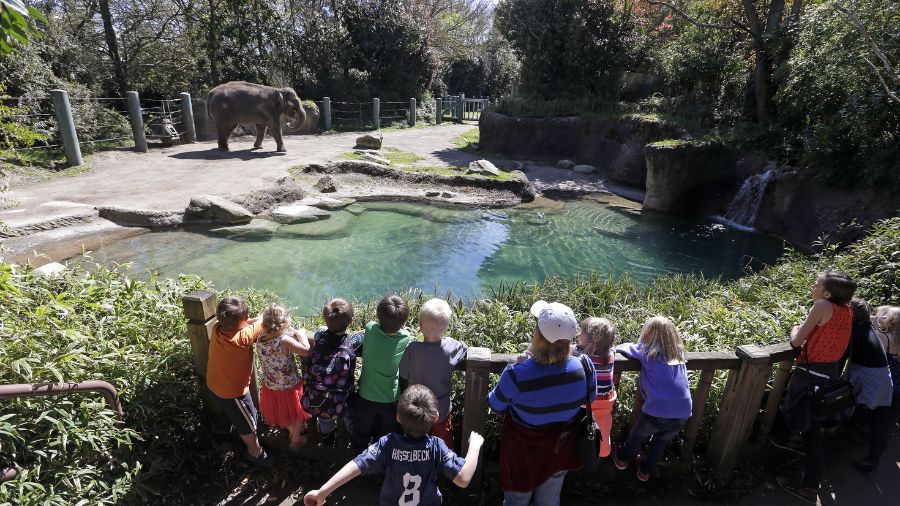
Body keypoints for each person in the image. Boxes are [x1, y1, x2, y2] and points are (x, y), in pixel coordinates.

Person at [488, 300, 596, 506]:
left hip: (521, 451)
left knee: (517, 498)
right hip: (560, 447)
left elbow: (495, 404)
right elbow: (589, 398)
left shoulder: (516, 374)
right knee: (549, 499)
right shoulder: (584, 366)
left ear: (537, 334)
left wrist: (518, 366)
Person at [303, 385, 484, 506]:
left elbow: (357, 465)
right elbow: (463, 478)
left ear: (397, 417)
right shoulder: (436, 446)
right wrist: (475, 447)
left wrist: (323, 491)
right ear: (435, 418)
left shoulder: (388, 443)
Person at [775, 272, 856, 505]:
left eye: (817, 284)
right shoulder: (847, 310)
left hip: (810, 376)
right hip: (829, 376)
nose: (813, 286)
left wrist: (793, 329)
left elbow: (796, 342)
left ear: (827, 293)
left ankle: (810, 487)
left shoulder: (822, 305)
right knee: (813, 428)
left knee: (809, 432)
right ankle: (796, 455)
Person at [613, 316, 691, 482]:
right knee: (660, 443)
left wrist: (613, 348)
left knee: (637, 435)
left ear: (647, 335)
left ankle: (622, 458)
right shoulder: (679, 354)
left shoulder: (647, 352)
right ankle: (645, 471)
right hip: (683, 412)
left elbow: (625, 348)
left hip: (658, 411)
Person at [205, 296, 269, 465]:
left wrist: (246, 321)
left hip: (214, 383)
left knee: (242, 415)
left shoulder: (216, 328)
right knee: (246, 424)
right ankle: (256, 453)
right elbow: (264, 319)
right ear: (245, 319)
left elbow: (248, 324)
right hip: (232, 393)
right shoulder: (243, 337)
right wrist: (253, 319)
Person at [399, 298, 468, 449]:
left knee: (416, 439)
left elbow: (403, 374)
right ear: (446, 327)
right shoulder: (450, 348)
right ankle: (446, 465)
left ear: (420, 325)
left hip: (417, 406)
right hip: (440, 408)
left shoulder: (412, 349)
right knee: (443, 440)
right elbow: (464, 347)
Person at [352, 294, 412, 450]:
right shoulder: (405, 338)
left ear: (378, 316)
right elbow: (404, 333)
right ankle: (381, 462)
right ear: (404, 322)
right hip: (390, 400)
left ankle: (360, 462)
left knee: (361, 434)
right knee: (385, 436)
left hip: (365, 397)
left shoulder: (370, 329)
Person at [302, 298, 362, 448]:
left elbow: (321, 330)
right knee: (348, 415)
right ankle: (350, 439)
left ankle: (326, 440)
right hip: (342, 399)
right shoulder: (352, 343)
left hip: (319, 398)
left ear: (325, 319)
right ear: (351, 321)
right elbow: (361, 337)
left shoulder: (319, 337)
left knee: (325, 420)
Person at [845, 298, 893, 473]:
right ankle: (872, 460)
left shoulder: (854, 331)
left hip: (869, 378)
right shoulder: (868, 328)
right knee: (880, 422)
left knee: (867, 416)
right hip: (883, 377)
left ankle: (867, 457)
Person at [256, 304, 311, 450]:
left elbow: (262, 321)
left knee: (281, 412)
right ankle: (295, 440)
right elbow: (306, 351)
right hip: (290, 385)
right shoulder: (284, 341)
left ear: (264, 324)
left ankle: (292, 431)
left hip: (271, 385)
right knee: (298, 413)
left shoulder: (260, 336)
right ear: (285, 325)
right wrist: (301, 334)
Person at [575, 317, 618, 458]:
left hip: (584, 404)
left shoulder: (578, 355)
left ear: (592, 340)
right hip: (604, 404)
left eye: (582, 332)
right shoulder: (610, 354)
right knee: (602, 432)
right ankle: (601, 452)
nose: (579, 334)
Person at [872, 305, 900, 404]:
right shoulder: (897, 338)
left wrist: (874, 324)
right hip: (897, 380)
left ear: (888, 320)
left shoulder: (883, 336)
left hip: (883, 380)